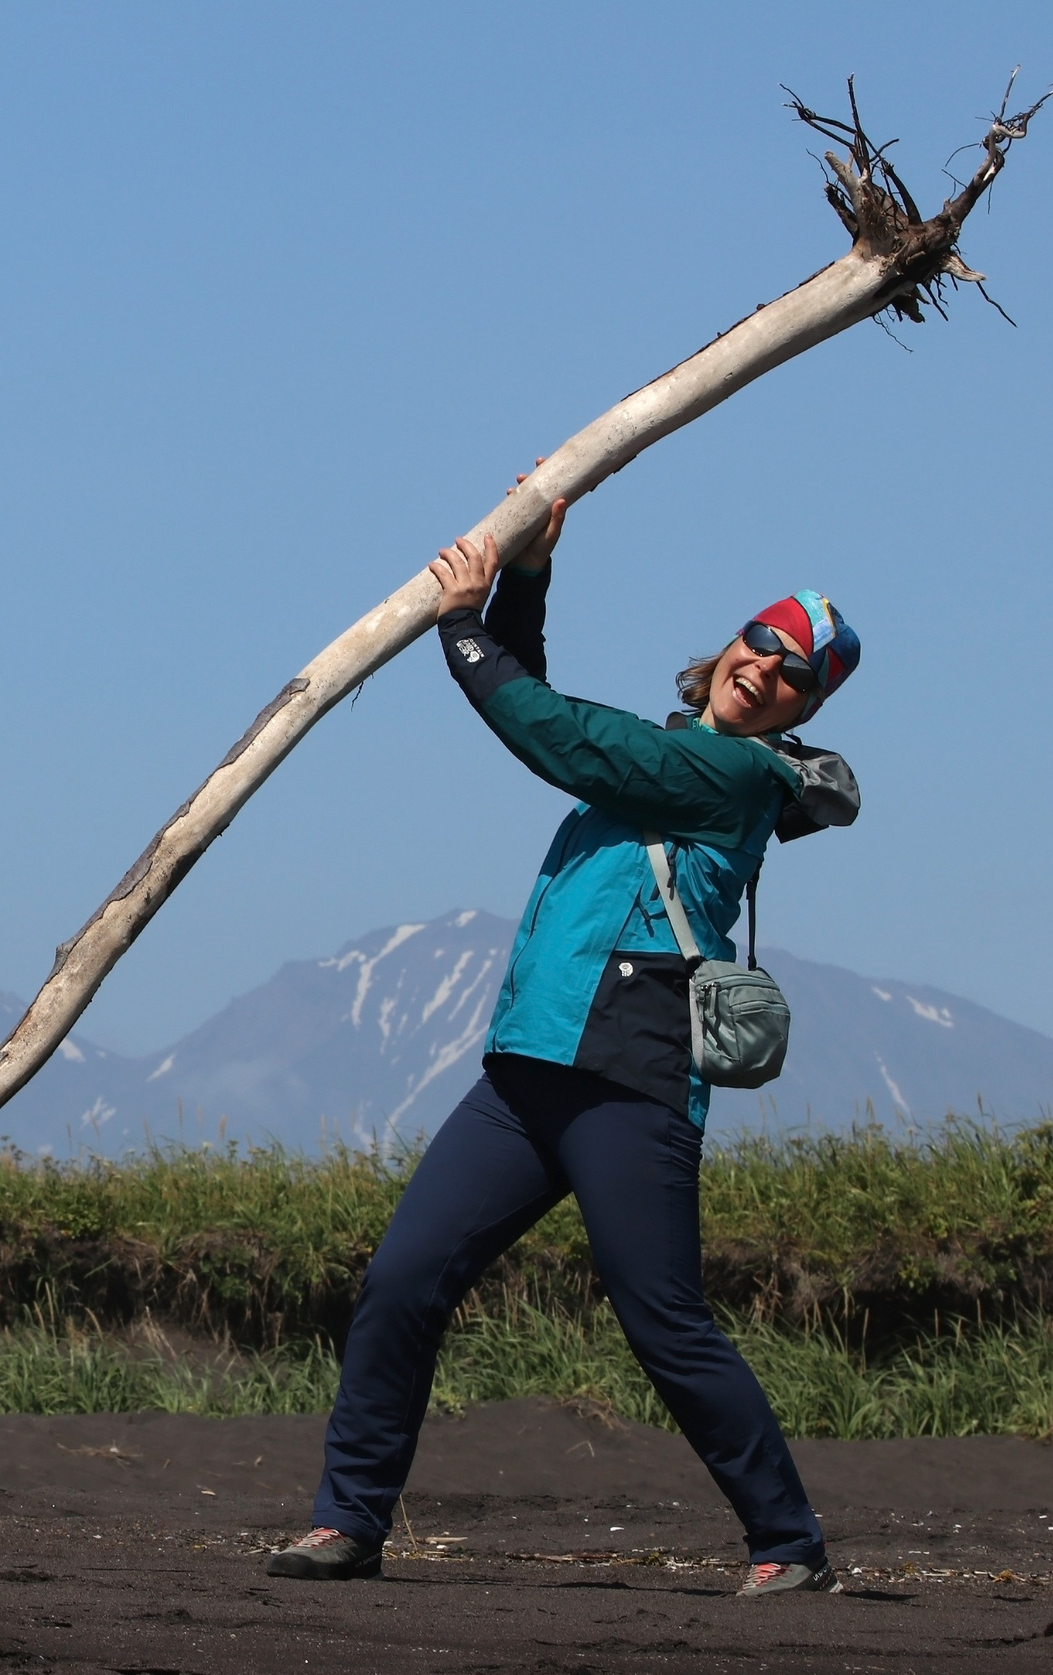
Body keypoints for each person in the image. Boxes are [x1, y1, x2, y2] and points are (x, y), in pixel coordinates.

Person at [265, 476, 863, 1598]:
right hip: (531, 1064)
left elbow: (555, 736)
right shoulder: (672, 747)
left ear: (800, 710)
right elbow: (548, 701)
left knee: (662, 1322)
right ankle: (346, 1522)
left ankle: (789, 1541)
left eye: (793, 671)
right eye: (761, 640)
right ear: (731, 642)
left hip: (630, 1073)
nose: (765, 666)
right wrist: (527, 574)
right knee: (401, 1281)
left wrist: (458, 622)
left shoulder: (732, 774)